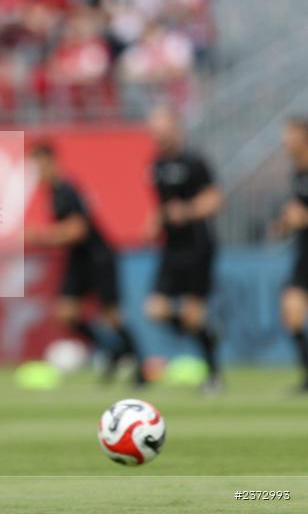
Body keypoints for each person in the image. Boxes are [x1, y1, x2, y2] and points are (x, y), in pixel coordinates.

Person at [26, 144, 146, 385]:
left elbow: (78, 230)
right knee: (66, 313)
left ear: (51, 162)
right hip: (79, 259)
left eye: (39, 165)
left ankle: (139, 365)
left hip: (98, 257)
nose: (36, 172)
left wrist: (41, 236)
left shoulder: (66, 190)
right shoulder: (53, 193)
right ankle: (112, 350)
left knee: (112, 315)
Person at [145, 107, 224, 394]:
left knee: (192, 314)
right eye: (154, 130)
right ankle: (207, 333)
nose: (157, 135)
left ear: (175, 129)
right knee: (155, 310)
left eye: (162, 129)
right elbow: (165, 205)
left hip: (197, 246)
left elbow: (215, 199)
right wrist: (156, 220)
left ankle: (213, 374)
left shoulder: (194, 162)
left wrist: (187, 211)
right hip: (171, 248)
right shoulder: (155, 165)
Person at [272, 117, 308, 392]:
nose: (284, 141)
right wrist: (284, 223)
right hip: (303, 254)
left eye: (289, 135)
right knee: (291, 312)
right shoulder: (297, 173)